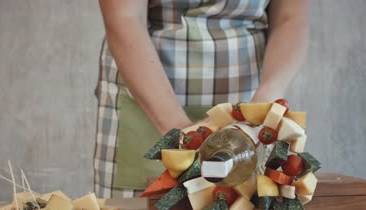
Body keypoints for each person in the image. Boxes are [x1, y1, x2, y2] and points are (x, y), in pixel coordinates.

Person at [93, 0, 309, 198]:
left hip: (249, 98)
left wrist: (262, 106)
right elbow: (124, 17)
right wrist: (180, 130)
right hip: (149, 100)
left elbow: (290, 17)